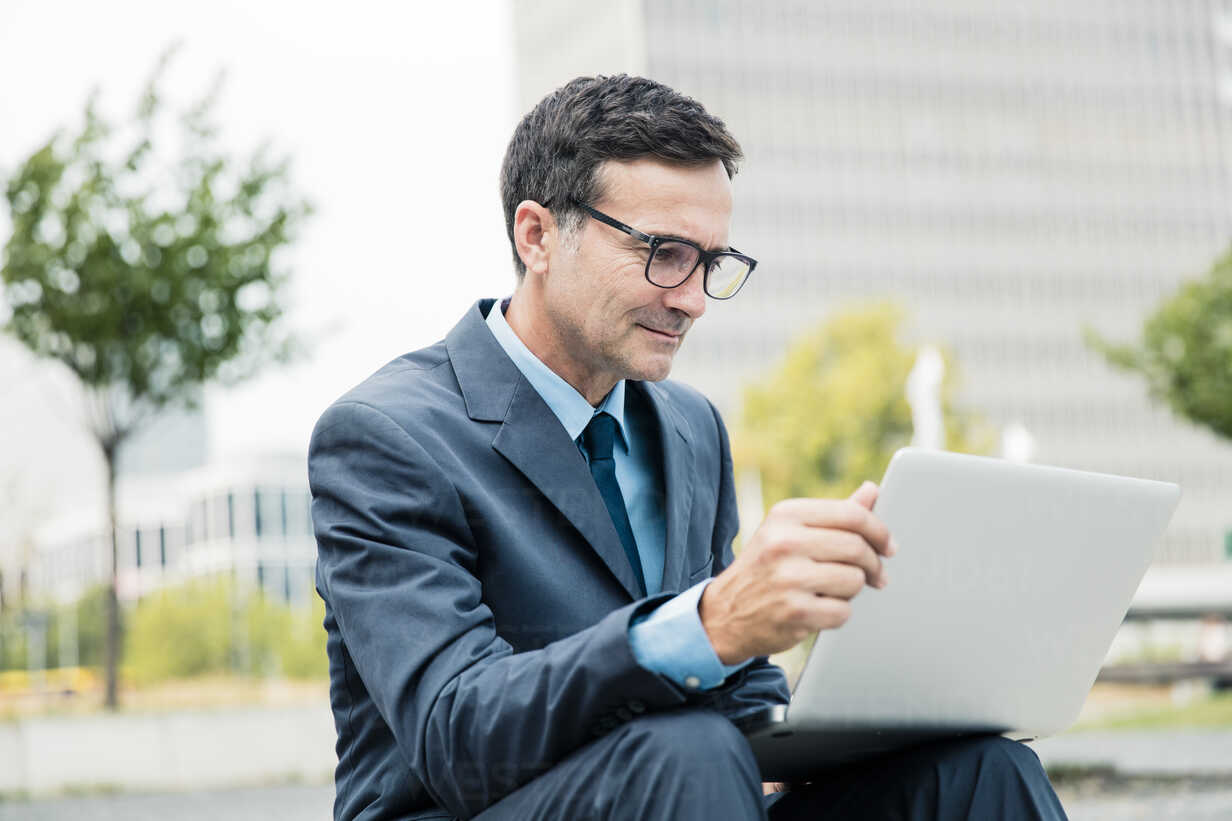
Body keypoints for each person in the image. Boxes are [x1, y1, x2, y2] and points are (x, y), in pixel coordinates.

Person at [308, 75, 1068, 821]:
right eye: (664, 252)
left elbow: (738, 689)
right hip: (494, 804)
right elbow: (455, 734)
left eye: (711, 261)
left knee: (981, 771)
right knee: (688, 751)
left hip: (692, 789)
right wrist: (708, 623)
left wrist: (841, 695)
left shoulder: (690, 426)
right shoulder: (385, 437)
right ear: (536, 235)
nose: (694, 298)